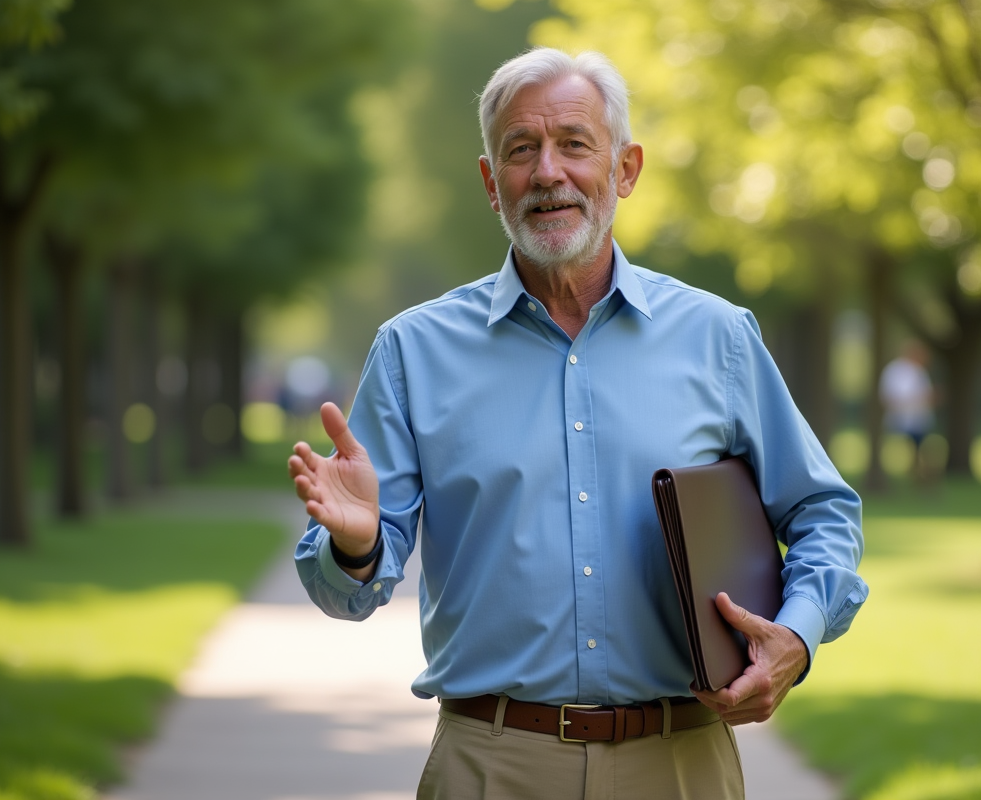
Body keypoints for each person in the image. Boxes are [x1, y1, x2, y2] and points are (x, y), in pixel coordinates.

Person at [288, 47, 867, 800]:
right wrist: (358, 545)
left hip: (681, 762)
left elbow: (824, 511)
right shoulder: (412, 351)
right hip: (490, 765)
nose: (548, 172)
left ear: (625, 169)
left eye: (574, 143)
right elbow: (345, 590)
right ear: (492, 185)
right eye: (521, 150)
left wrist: (797, 633)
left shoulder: (718, 338)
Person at [879, 340, 935, 479]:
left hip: (919, 421)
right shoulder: (894, 370)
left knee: (921, 451)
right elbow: (889, 397)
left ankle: (920, 477)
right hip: (899, 421)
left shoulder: (920, 372)